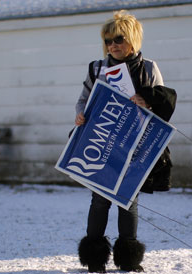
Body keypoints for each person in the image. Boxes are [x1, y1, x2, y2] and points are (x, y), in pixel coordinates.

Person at [75, 10, 177, 273]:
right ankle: (95, 260)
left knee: (128, 200)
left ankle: (129, 261)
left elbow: (163, 101)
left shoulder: (148, 68)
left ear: (132, 39)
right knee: (99, 199)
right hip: (102, 145)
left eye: (118, 39)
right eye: (108, 41)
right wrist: (80, 115)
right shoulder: (97, 68)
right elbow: (84, 99)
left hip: (136, 147)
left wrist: (148, 100)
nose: (113, 46)